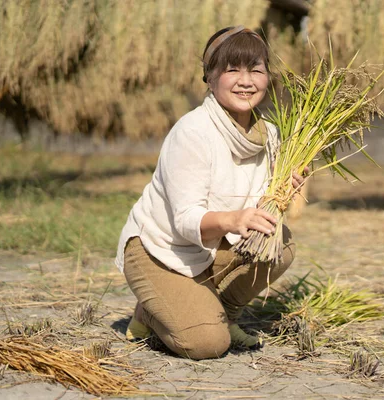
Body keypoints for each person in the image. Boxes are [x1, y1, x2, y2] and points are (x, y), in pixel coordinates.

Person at [115, 26, 305, 360]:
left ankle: (224, 313)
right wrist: (235, 219)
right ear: (210, 76)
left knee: (281, 242)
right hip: (160, 251)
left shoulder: (270, 135)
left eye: (256, 70)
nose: (245, 80)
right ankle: (151, 311)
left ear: (267, 77)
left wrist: (282, 194)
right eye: (232, 69)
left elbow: (256, 206)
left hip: (209, 250)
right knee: (207, 345)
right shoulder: (192, 133)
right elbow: (186, 220)